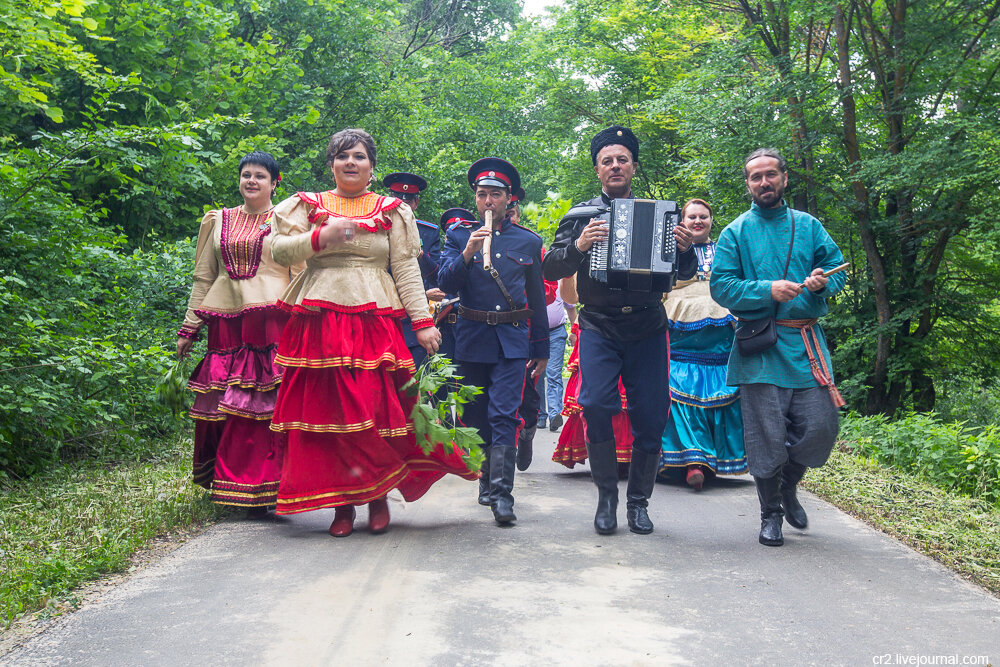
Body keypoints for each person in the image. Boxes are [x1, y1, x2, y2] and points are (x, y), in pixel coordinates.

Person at [268, 128, 477, 537]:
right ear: (331, 163)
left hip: (373, 321)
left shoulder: (393, 210)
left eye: (359, 156)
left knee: (374, 411)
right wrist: (318, 237)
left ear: (371, 166)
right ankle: (342, 506)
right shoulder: (306, 205)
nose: (351, 162)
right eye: (343, 155)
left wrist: (421, 322)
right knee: (331, 414)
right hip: (319, 319)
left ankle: (378, 496)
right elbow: (277, 250)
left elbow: (405, 269)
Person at [542, 125, 696, 536]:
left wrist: (685, 249)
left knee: (652, 413)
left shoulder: (664, 213)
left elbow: (685, 272)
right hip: (599, 323)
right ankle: (606, 498)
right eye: (607, 160)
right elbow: (551, 267)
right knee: (595, 404)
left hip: (647, 323)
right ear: (597, 170)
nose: (615, 166)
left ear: (632, 166)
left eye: (622, 159)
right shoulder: (581, 215)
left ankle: (638, 503)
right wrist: (578, 247)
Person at [710, 147, 846, 547]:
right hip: (761, 348)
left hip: (806, 345)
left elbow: (836, 269)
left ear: (784, 178)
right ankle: (770, 513)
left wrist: (824, 282)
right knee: (766, 435)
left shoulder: (808, 226)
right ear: (748, 184)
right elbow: (722, 287)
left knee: (822, 426)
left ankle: (788, 485)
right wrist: (765, 289)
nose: (764, 182)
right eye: (756, 177)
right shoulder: (735, 232)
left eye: (771, 174)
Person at [176, 151, 302, 517]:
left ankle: (271, 485)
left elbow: (300, 273)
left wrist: (306, 321)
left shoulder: (287, 221)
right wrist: (189, 327)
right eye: (246, 175)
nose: (251, 181)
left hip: (273, 323)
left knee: (265, 406)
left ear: (274, 182)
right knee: (228, 404)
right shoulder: (217, 221)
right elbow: (203, 277)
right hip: (227, 326)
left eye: (260, 176)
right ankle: (232, 484)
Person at [438, 158, 548, 525]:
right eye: (482, 194)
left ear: (509, 200)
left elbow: (537, 301)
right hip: (471, 339)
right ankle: (485, 478)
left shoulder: (529, 242)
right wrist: (469, 251)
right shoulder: (457, 236)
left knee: (504, 413)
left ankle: (503, 495)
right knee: (475, 414)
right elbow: (447, 284)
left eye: (495, 195)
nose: (488, 201)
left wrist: (542, 351)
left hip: (513, 341)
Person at [659, 199, 748, 490]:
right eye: (692, 217)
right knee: (677, 392)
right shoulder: (669, 249)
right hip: (680, 334)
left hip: (719, 335)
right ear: (681, 221)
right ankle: (691, 461)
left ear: (712, 220)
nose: (697, 221)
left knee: (721, 393)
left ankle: (714, 459)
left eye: (703, 217)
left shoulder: (725, 249)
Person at [550, 275, 633, 471]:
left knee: (628, 391)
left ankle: (626, 453)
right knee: (594, 393)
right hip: (595, 322)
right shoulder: (588, 248)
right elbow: (572, 294)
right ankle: (602, 452)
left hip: (635, 321)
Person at [382, 172, 446, 367]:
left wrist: (419, 254)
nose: (402, 205)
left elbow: (436, 276)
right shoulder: (374, 228)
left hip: (414, 319)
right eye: (397, 199)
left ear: (416, 203)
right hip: (382, 314)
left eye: (408, 201)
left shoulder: (428, 231)